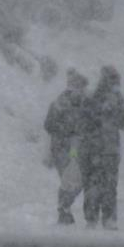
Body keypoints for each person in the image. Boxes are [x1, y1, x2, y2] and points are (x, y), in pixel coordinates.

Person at [81, 65, 124, 230]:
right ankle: (93, 218)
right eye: (113, 80)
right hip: (96, 149)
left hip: (108, 150)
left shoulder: (118, 99)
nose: (115, 84)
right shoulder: (93, 98)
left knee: (107, 186)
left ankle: (106, 218)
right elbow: (83, 123)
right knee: (95, 185)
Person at [44, 68, 91, 225]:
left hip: (75, 148)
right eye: (80, 87)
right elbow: (49, 126)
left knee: (77, 180)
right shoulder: (59, 104)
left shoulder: (84, 104)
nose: (82, 90)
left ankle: (64, 209)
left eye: (83, 88)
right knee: (71, 180)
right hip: (64, 148)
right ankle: (63, 210)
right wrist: (69, 132)